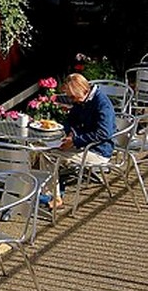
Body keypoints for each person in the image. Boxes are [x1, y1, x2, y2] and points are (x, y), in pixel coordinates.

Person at [47, 73, 115, 208]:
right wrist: (71, 133)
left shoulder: (101, 104)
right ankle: (52, 191)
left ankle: (55, 197)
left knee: (49, 156)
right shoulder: (82, 100)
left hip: (99, 150)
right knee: (45, 150)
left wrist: (75, 141)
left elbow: (104, 133)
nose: (72, 100)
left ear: (83, 90)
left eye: (73, 97)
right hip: (84, 144)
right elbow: (69, 120)